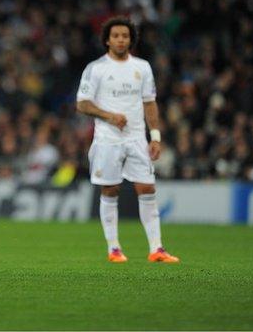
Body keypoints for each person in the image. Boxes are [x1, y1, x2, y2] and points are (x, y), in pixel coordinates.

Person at [76, 16, 179, 263]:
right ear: (107, 40)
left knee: (147, 188)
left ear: (131, 39)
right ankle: (114, 249)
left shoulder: (142, 67)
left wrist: (154, 136)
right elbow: (82, 104)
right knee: (110, 190)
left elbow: (150, 103)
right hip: (107, 140)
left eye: (125, 36)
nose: (121, 40)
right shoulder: (96, 68)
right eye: (116, 36)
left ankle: (157, 249)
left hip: (136, 139)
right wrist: (108, 116)